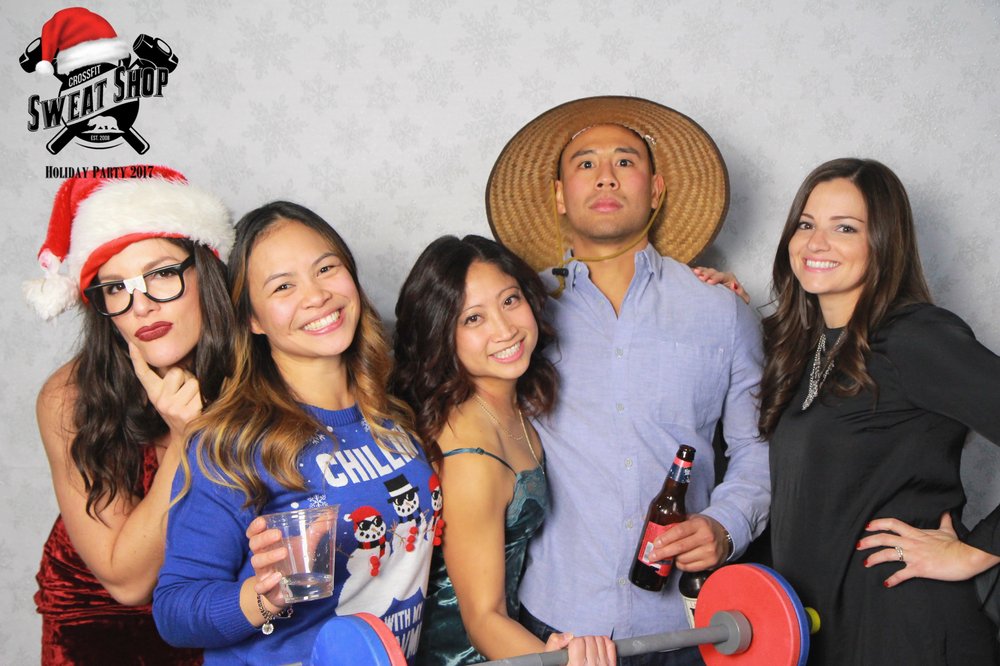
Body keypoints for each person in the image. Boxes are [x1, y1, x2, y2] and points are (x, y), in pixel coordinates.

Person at [485, 96, 770, 665]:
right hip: (557, 622)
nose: (606, 176)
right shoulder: (519, 314)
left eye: (625, 161)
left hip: (689, 625)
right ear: (560, 197)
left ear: (656, 190)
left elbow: (753, 446)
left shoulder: (722, 311)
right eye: (585, 163)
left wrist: (727, 524)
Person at [152, 201, 436, 665]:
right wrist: (262, 596)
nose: (317, 295)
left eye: (326, 269)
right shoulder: (232, 443)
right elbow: (173, 610)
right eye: (283, 286)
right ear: (253, 319)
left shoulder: (391, 413)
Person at [760, 157, 1000, 664]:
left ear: (885, 242)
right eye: (806, 224)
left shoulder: (915, 336)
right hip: (820, 632)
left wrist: (976, 552)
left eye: (844, 228)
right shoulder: (802, 348)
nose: (816, 243)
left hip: (905, 630)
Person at [24, 166, 233, 665]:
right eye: (116, 287)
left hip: (225, 624)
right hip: (103, 639)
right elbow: (127, 580)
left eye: (161, 274)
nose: (141, 306)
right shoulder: (71, 396)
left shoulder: (256, 370)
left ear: (205, 272)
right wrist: (185, 439)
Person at [391, 235, 615, 665]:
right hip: (468, 655)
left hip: (517, 640)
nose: (505, 329)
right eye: (473, 318)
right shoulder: (471, 455)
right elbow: (482, 619)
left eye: (510, 300)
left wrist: (702, 289)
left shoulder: (507, 399)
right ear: (442, 334)